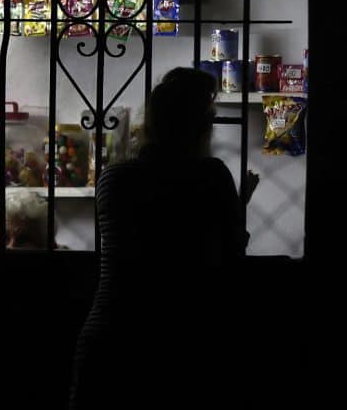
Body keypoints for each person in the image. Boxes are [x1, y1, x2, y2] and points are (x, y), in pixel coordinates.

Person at [69, 67, 258, 409]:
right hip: (181, 341)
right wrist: (237, 208)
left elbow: (139, 239)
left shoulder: (113, 177)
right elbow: (226, 257)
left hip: (110, 336)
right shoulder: (211, 176)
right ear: (201, 126)